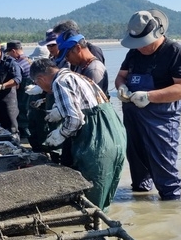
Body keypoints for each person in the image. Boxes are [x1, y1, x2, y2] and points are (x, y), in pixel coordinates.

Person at [115, 9, 181, 201]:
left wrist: (149, 96)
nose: (140, 47)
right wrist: (122, 87)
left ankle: (170, 207)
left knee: (164, 169)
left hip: (161, 121)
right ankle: (141, 198)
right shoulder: (134, 53)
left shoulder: (175, 52)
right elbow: (120, 76)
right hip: (133, 117)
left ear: (158, 33)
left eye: (144, 43)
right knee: (137, 165)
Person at [30, 58, 126, 211]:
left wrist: (61, 133)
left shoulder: (59, 82)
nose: (39, 87)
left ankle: (91, 230)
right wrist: (60, 111)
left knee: (91, 190)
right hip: (115, 133)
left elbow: (75, 119)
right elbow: (83, 104)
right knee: (106, 189)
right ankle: (103, 226)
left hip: (97, 138)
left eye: (37, 83)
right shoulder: (76, 76)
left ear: (40, 78)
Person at [55, 29, 109, 96]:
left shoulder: (94, 70)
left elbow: (93, 100)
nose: (67, 59)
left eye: (67, 55)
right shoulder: (81, 66)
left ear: (78, 48)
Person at [5, 40, 32, 139]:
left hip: (24, 90)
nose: (8, 55)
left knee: (22, 110)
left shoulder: (18, 63)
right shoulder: (28, 59)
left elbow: (17, 82)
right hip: (32, 89)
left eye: (8, 53)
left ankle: (25, 135)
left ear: (13, 51)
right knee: (29, 110)